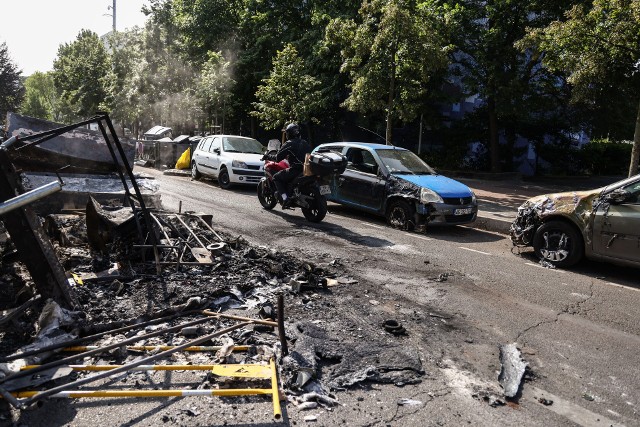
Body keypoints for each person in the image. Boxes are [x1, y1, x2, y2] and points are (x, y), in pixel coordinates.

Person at [274, 123, 311, 208]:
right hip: (307, 170)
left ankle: (285, 198)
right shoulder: (305, 143)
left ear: (289, 133)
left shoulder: (289, 143)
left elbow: (278, 158)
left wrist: (269, 156)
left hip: (296, 170)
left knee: (276, 177)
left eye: (287, 133)